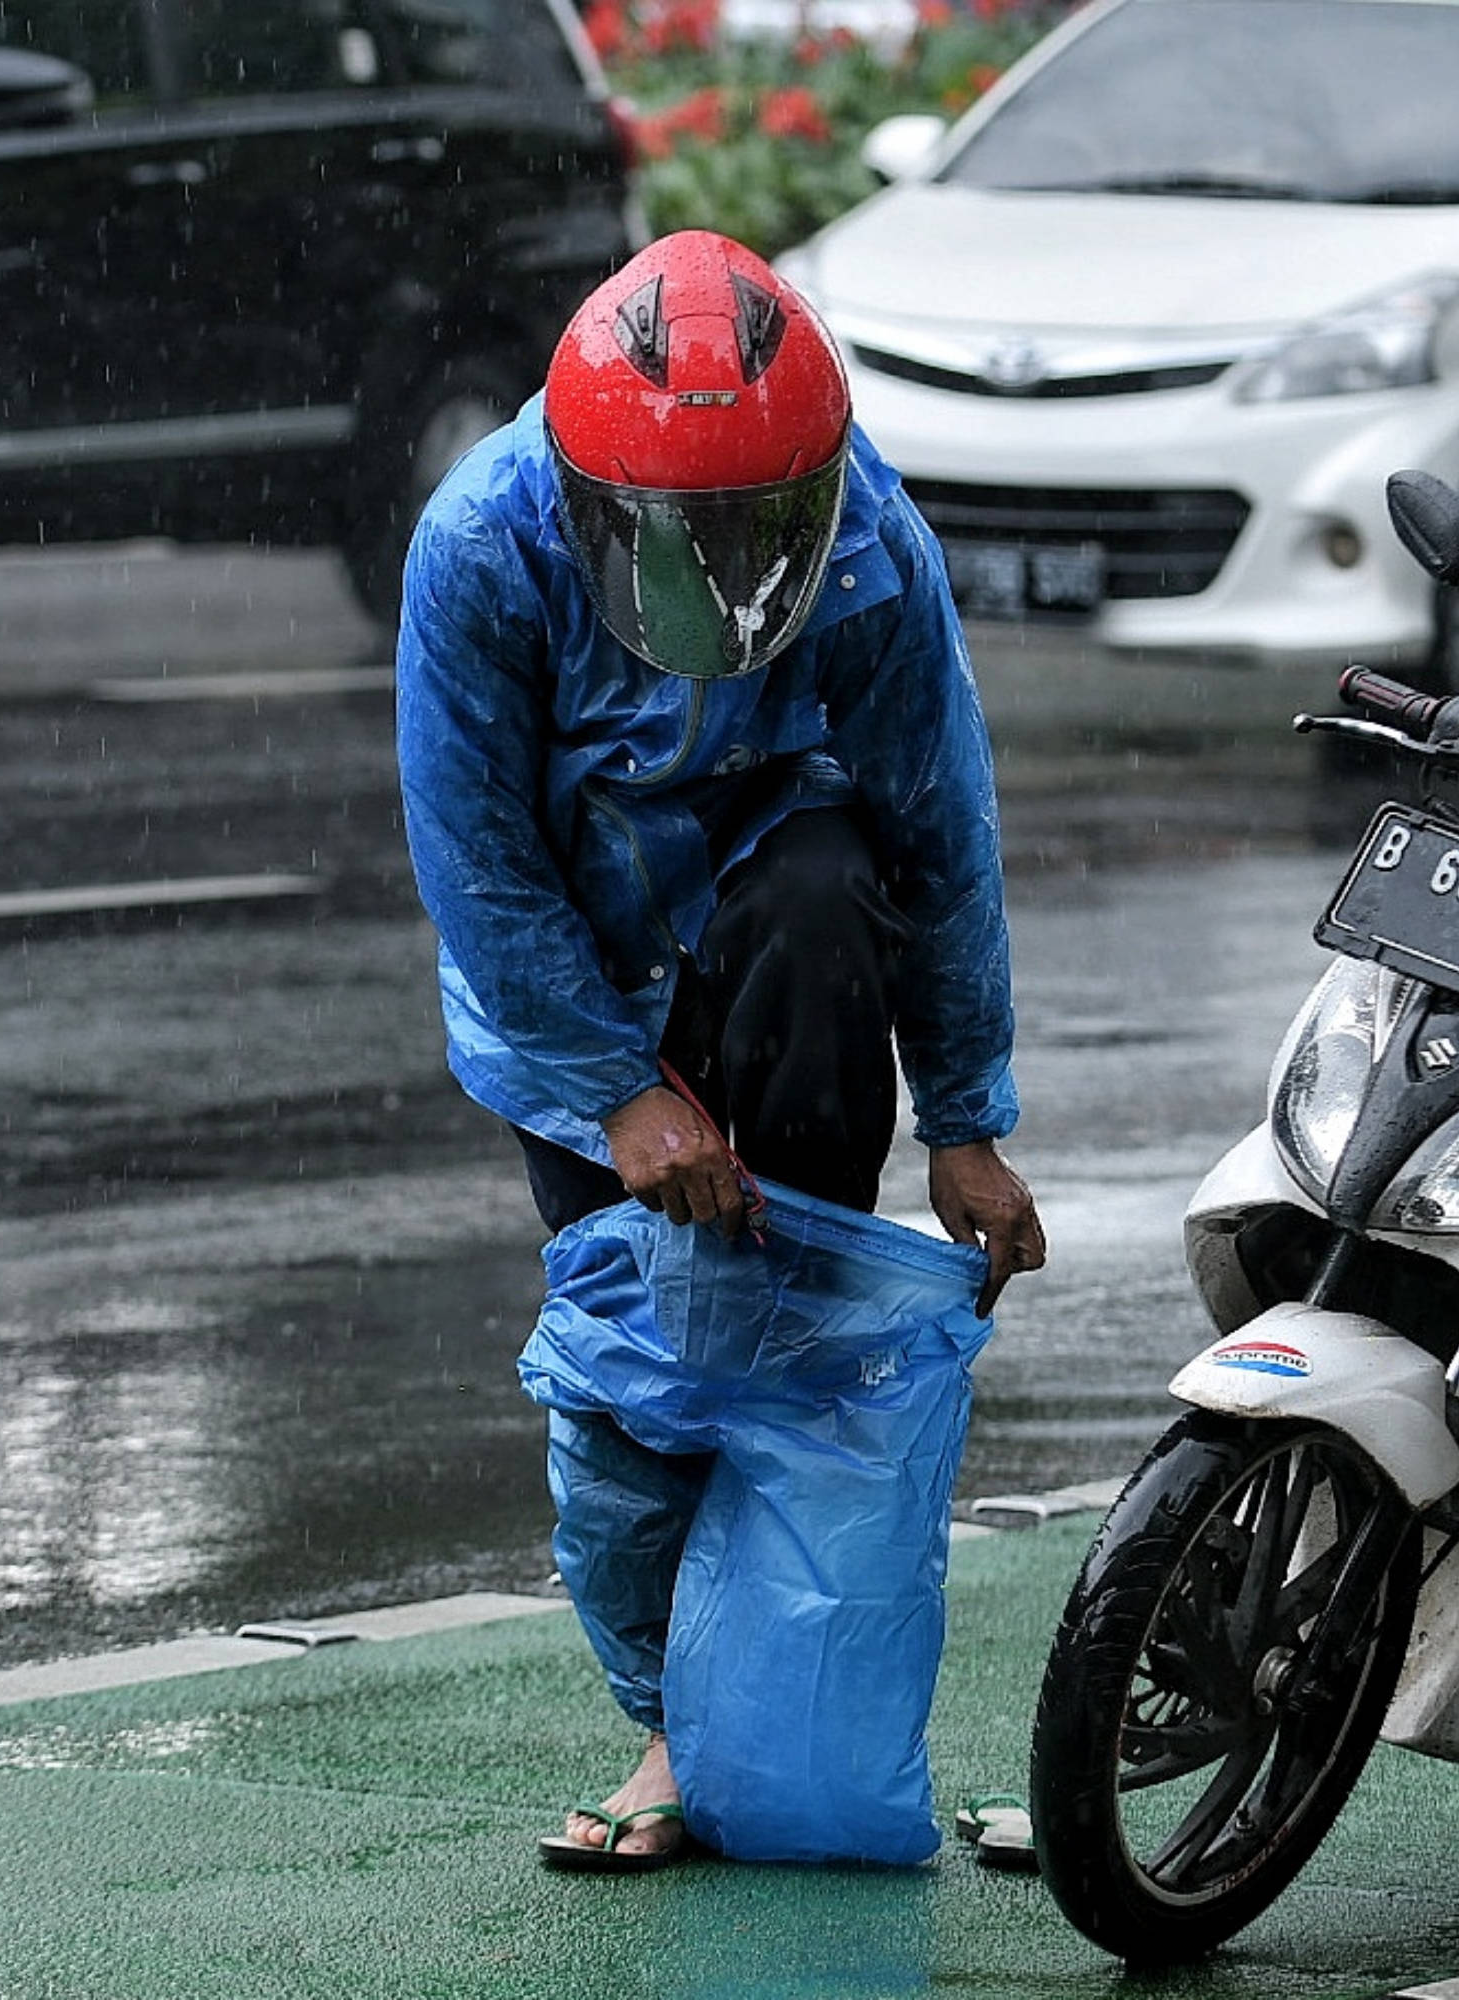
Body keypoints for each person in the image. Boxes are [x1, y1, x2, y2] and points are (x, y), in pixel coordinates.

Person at [393, 230, 1047, 1868]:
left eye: (766, 531)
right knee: (643, 1374)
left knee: (784, 1347)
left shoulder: (875, 540)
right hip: (579, 990)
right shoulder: (483, 546)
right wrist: (620, 1093)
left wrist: (963, 1115)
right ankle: (676, 1738)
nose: (730, 577)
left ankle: (791, 1712)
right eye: (683, 537)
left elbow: (938, 827)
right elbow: (479, 860)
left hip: (791, 946)